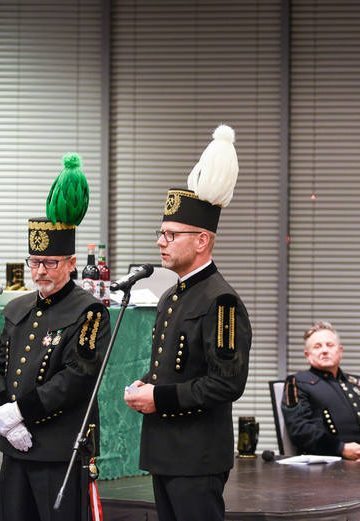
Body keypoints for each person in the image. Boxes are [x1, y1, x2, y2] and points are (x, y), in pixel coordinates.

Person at [124, 124, 252, 521]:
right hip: (165, 449)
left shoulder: (222, 300)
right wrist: (147, 382)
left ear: (201, 241)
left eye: (170, 234)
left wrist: (158, 398)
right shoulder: (171, 295)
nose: (160, 242)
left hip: (197, 455)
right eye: (160, 233)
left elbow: (226, 382)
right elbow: (176, 364)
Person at [0, 153, 110, 521]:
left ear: (71, 263)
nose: (39, 271)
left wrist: (23, 412)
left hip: (59, 449)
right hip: (15, 445)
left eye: (49, 263)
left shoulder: (88, 311)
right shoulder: (18, 307)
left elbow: (76, 377)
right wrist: (5, 418)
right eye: (34, 262)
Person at [281, 321, 360, 460]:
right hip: (326, 464)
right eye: (317, 346)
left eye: (330, 345)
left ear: (340, 351)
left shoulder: (358, 383)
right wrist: (341, 449)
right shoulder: (297, 382)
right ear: (307, 355)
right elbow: (299, 429)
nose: (324, 350)